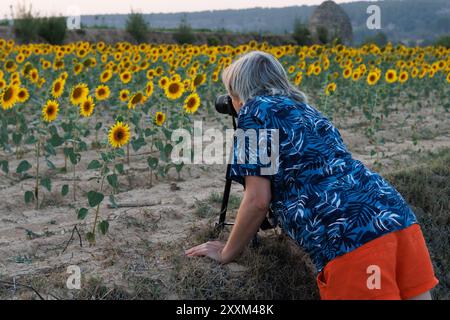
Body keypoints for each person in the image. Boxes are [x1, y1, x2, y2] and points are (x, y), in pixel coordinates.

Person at [185, 50, 439, 300]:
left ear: (240, 94)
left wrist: (227, 252)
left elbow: (257, 200)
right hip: (397, 219)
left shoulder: (254, 111)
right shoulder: (309, 110)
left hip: (350, 238)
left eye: (231, 94)